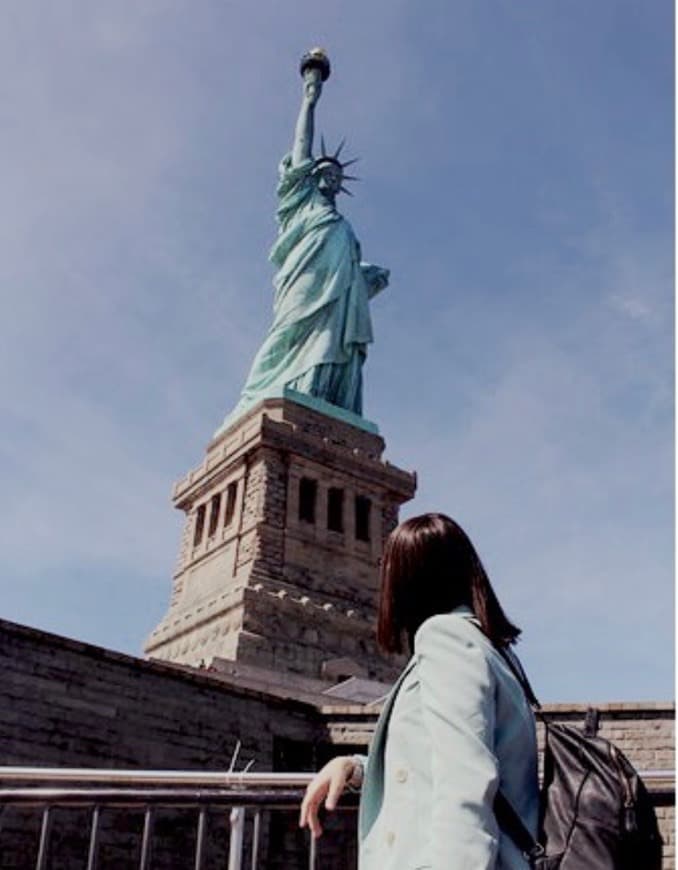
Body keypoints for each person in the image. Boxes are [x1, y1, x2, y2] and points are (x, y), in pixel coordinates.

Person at [299, 513, 539, 869]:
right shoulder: (494, 650)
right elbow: (433, 759)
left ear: (409, 578)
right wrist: (355, 767)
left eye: (388, 565)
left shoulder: (446, 638)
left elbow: (465, 779)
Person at [216, 51, 388, 434]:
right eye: (324, 171)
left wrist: (363, 277)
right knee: (287, 334)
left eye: (336, 175)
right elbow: (302, 145)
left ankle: (322, 399)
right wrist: (310, 97)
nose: (330, 176)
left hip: (338, 298)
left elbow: (345, 270)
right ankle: (260, 395)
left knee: (331, 343)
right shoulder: (301, 205)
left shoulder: (343, 226)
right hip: (303, 283)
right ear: (310, 177)